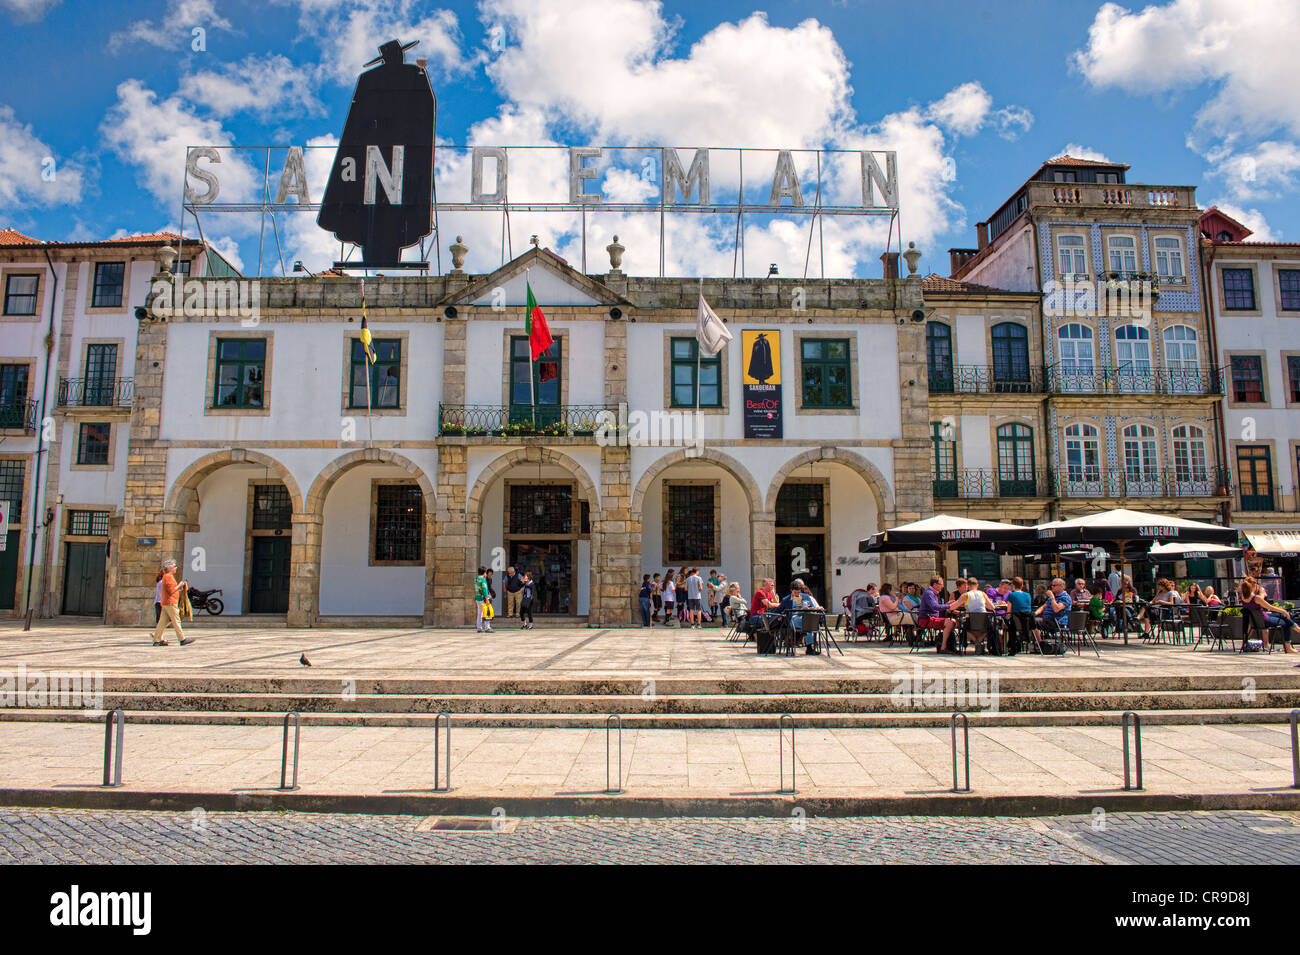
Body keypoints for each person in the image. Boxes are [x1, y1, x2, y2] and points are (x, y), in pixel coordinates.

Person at [1240, 577, 1300, 652]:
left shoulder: (1243, 598)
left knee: (1281, 616)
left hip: (1256, 621)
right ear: (1253, 586)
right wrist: (1283, 611)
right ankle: (1288, 647)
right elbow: (1270, 607)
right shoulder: (1256, 598)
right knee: (1285, 622)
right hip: (1265, 621)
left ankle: (1297, 629)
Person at [150, 559, 195, 646]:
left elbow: (169, 591)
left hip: (165, 602)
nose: (176, 568)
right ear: (170, 568)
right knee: (176, 621)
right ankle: (182, 639)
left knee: (162, 623)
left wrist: (178, 589)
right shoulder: (169, 577)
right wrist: (180, 585)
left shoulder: (165, 577)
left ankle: (157, 640)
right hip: (171, 603)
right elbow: (171, 591)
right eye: (174, 566)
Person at [778, 579, 823, 655]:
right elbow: (778, 610)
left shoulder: (805, 597)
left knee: (808, 621)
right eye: (795, 592)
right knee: (808, 623)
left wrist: (810, 608)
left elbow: (812, 606)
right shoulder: (786, 599)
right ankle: (809, 647)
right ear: (791, 590)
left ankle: (809, 647)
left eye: (799, 592)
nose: (797, 594)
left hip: (804, 617)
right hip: (793, 620)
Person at [919, 576, 959, 654]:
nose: (943, 586)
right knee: (950, 622)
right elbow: (934, 607)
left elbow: (935, 606)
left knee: (953, 622)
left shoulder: (932, 593)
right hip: (927, 619)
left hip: (931, 618)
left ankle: (948, 645)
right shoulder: (929, 593)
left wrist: (946, 604)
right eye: (941, 584)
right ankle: (943, 647)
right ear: (935, 584)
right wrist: (949, 606)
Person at [1034, 577, 1072, 644]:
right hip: (1047, 619)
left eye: (1054, 585)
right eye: (1052, 585)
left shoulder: (1065, 597)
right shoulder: (1054, 597)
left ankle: (1040, 644)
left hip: (1056, 621)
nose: (1052, 587)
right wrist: (1034, 614)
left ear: (1062, 586)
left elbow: (1056, 609)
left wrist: (1052, 597)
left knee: (1033, 622)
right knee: (1029, 619)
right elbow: (1043, 607)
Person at [474, 566, 494, 633]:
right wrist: (487, 599)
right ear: (484, 572)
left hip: (477, 597)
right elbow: (485, 590)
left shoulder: (476, 579)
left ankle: (479, 627)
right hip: (483, 598)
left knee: (480, 613)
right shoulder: (483, 580)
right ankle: (487, 627)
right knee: (487, 612)